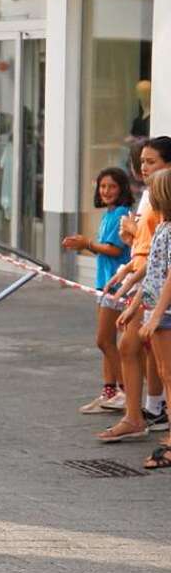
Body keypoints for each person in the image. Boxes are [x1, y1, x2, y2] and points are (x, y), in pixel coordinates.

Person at [99, 137, 171, 442]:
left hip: (158, 298)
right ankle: (144, 412)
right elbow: (149, 254)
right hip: (149, 290)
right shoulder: (150, 200)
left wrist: (151, 309)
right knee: (141, 351)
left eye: (151, 161)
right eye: (142, 161)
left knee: (157, 362)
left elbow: (162, 264)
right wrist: (130, 277)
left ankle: (150, 412)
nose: (143, 167)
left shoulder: (161, 205)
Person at [61, 167, 133, 413]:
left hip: (117, 286)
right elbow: (104, 248)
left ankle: (126, 391)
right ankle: (109, 391)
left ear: (122, 188)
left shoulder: (123, 213)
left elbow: (115, 250)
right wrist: (86, 244)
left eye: (112, 186)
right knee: (107, 342)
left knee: (104, 340)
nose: (106, 191)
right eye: (103, 187)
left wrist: (87, 243)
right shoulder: (108, 214)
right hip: (105, 284)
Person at [122, 167, 171, 468]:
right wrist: (136, 306)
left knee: (170, 375)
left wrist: (155, 316)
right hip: (158, 309)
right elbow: (152, 274)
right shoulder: (163, 227)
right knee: (167, 375)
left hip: (166, 312)